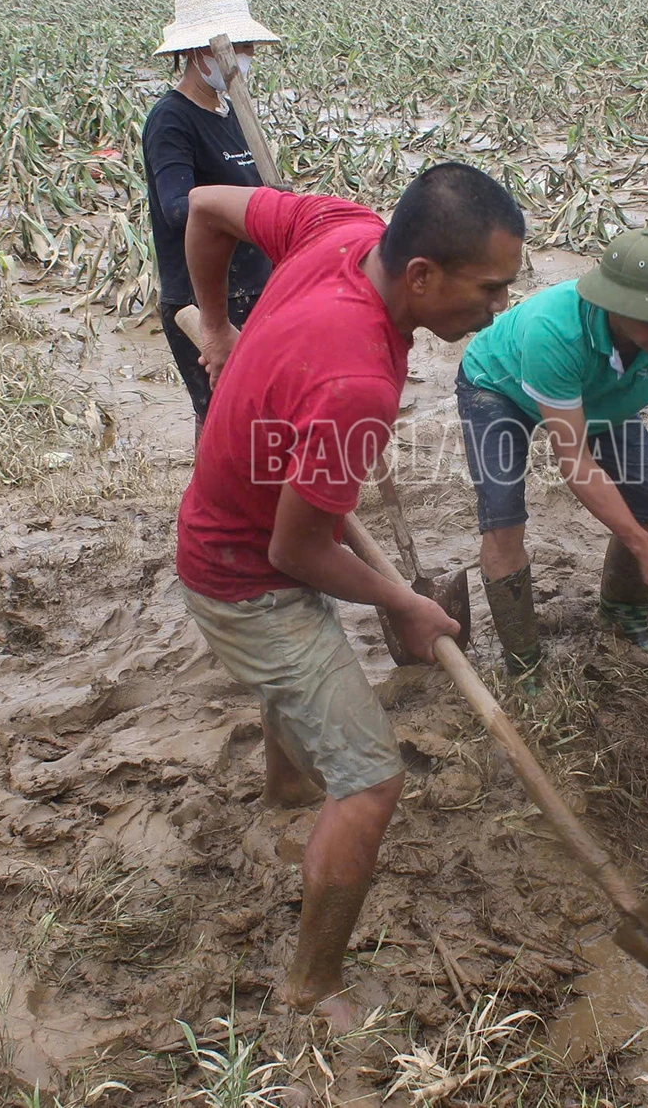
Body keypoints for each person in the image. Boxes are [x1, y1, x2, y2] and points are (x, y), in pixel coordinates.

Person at [176, 163, 524, 1028]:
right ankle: (311, 985)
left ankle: (287, 792)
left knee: (309, 661)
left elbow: (205, 210)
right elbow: (295, 551)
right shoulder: (356, 381)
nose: (498, 311)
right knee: (370, 781)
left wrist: (217, 324)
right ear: (421, 276)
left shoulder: (341, 227)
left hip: (233, 525)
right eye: (490, 291)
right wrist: (403, 604)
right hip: (242, 577)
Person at [456, 227, 648, 673]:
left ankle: (623, 618)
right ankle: (523, 659)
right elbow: (576, 461)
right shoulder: (555, 330)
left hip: (598, 395)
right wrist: (645, 548)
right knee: (504, 519)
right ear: (614, 305)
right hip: (500, 387)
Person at [142, 0, 280, 429]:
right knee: (223, 417)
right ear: (202, 52)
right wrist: (256, 207)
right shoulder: (171, 119)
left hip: (255, 286)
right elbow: (178, 208)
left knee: (266, 412)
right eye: (238, 46)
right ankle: (211, 501)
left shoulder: (233, 113)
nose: (247, 57)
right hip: (202, 298)